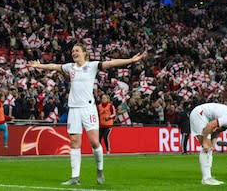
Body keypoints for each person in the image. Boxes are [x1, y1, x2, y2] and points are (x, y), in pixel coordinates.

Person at [28, 43, 145, 185]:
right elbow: (54, 66)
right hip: (74, 109)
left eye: (77, 50)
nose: (74, 53)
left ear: (84, 53)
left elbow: (112, 63)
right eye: (72, 51)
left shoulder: (92, 66)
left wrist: (131, 60)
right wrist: (39, 66)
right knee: (75, 143)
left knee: (95, 142)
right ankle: (74, 177)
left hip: (88, 108)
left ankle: (100, 169)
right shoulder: (70, 67)